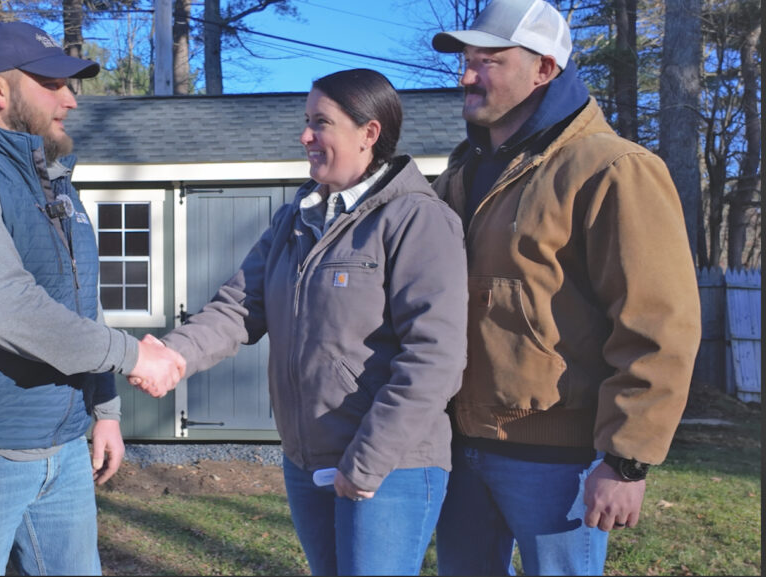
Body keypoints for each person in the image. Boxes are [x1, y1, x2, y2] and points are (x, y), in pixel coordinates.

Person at [0, 21, 184, 576]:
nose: (70, 100)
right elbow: (4, 308)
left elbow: (81, 306)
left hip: (63, 448)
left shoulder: (58, 189)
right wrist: (133, 356)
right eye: (53, 84)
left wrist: (104, 411)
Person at [156, 68, 468, 576]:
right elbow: (238, 306)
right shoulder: (296, 218)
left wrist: (367, 460)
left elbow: (435, 357)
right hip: (308, 460)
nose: (305, 136)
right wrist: (172, 355)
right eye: (306, 121)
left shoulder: (415, 218)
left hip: (391, 466)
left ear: (369, 133)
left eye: (320, 123)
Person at [427, 0, 702, 575]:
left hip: (558, 463)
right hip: (456, 447)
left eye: (489, 61)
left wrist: (626, 462)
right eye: (467, 60)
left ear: (545, 69)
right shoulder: (462, 171)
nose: (467, 75)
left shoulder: (613, 169)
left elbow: (660, 324)